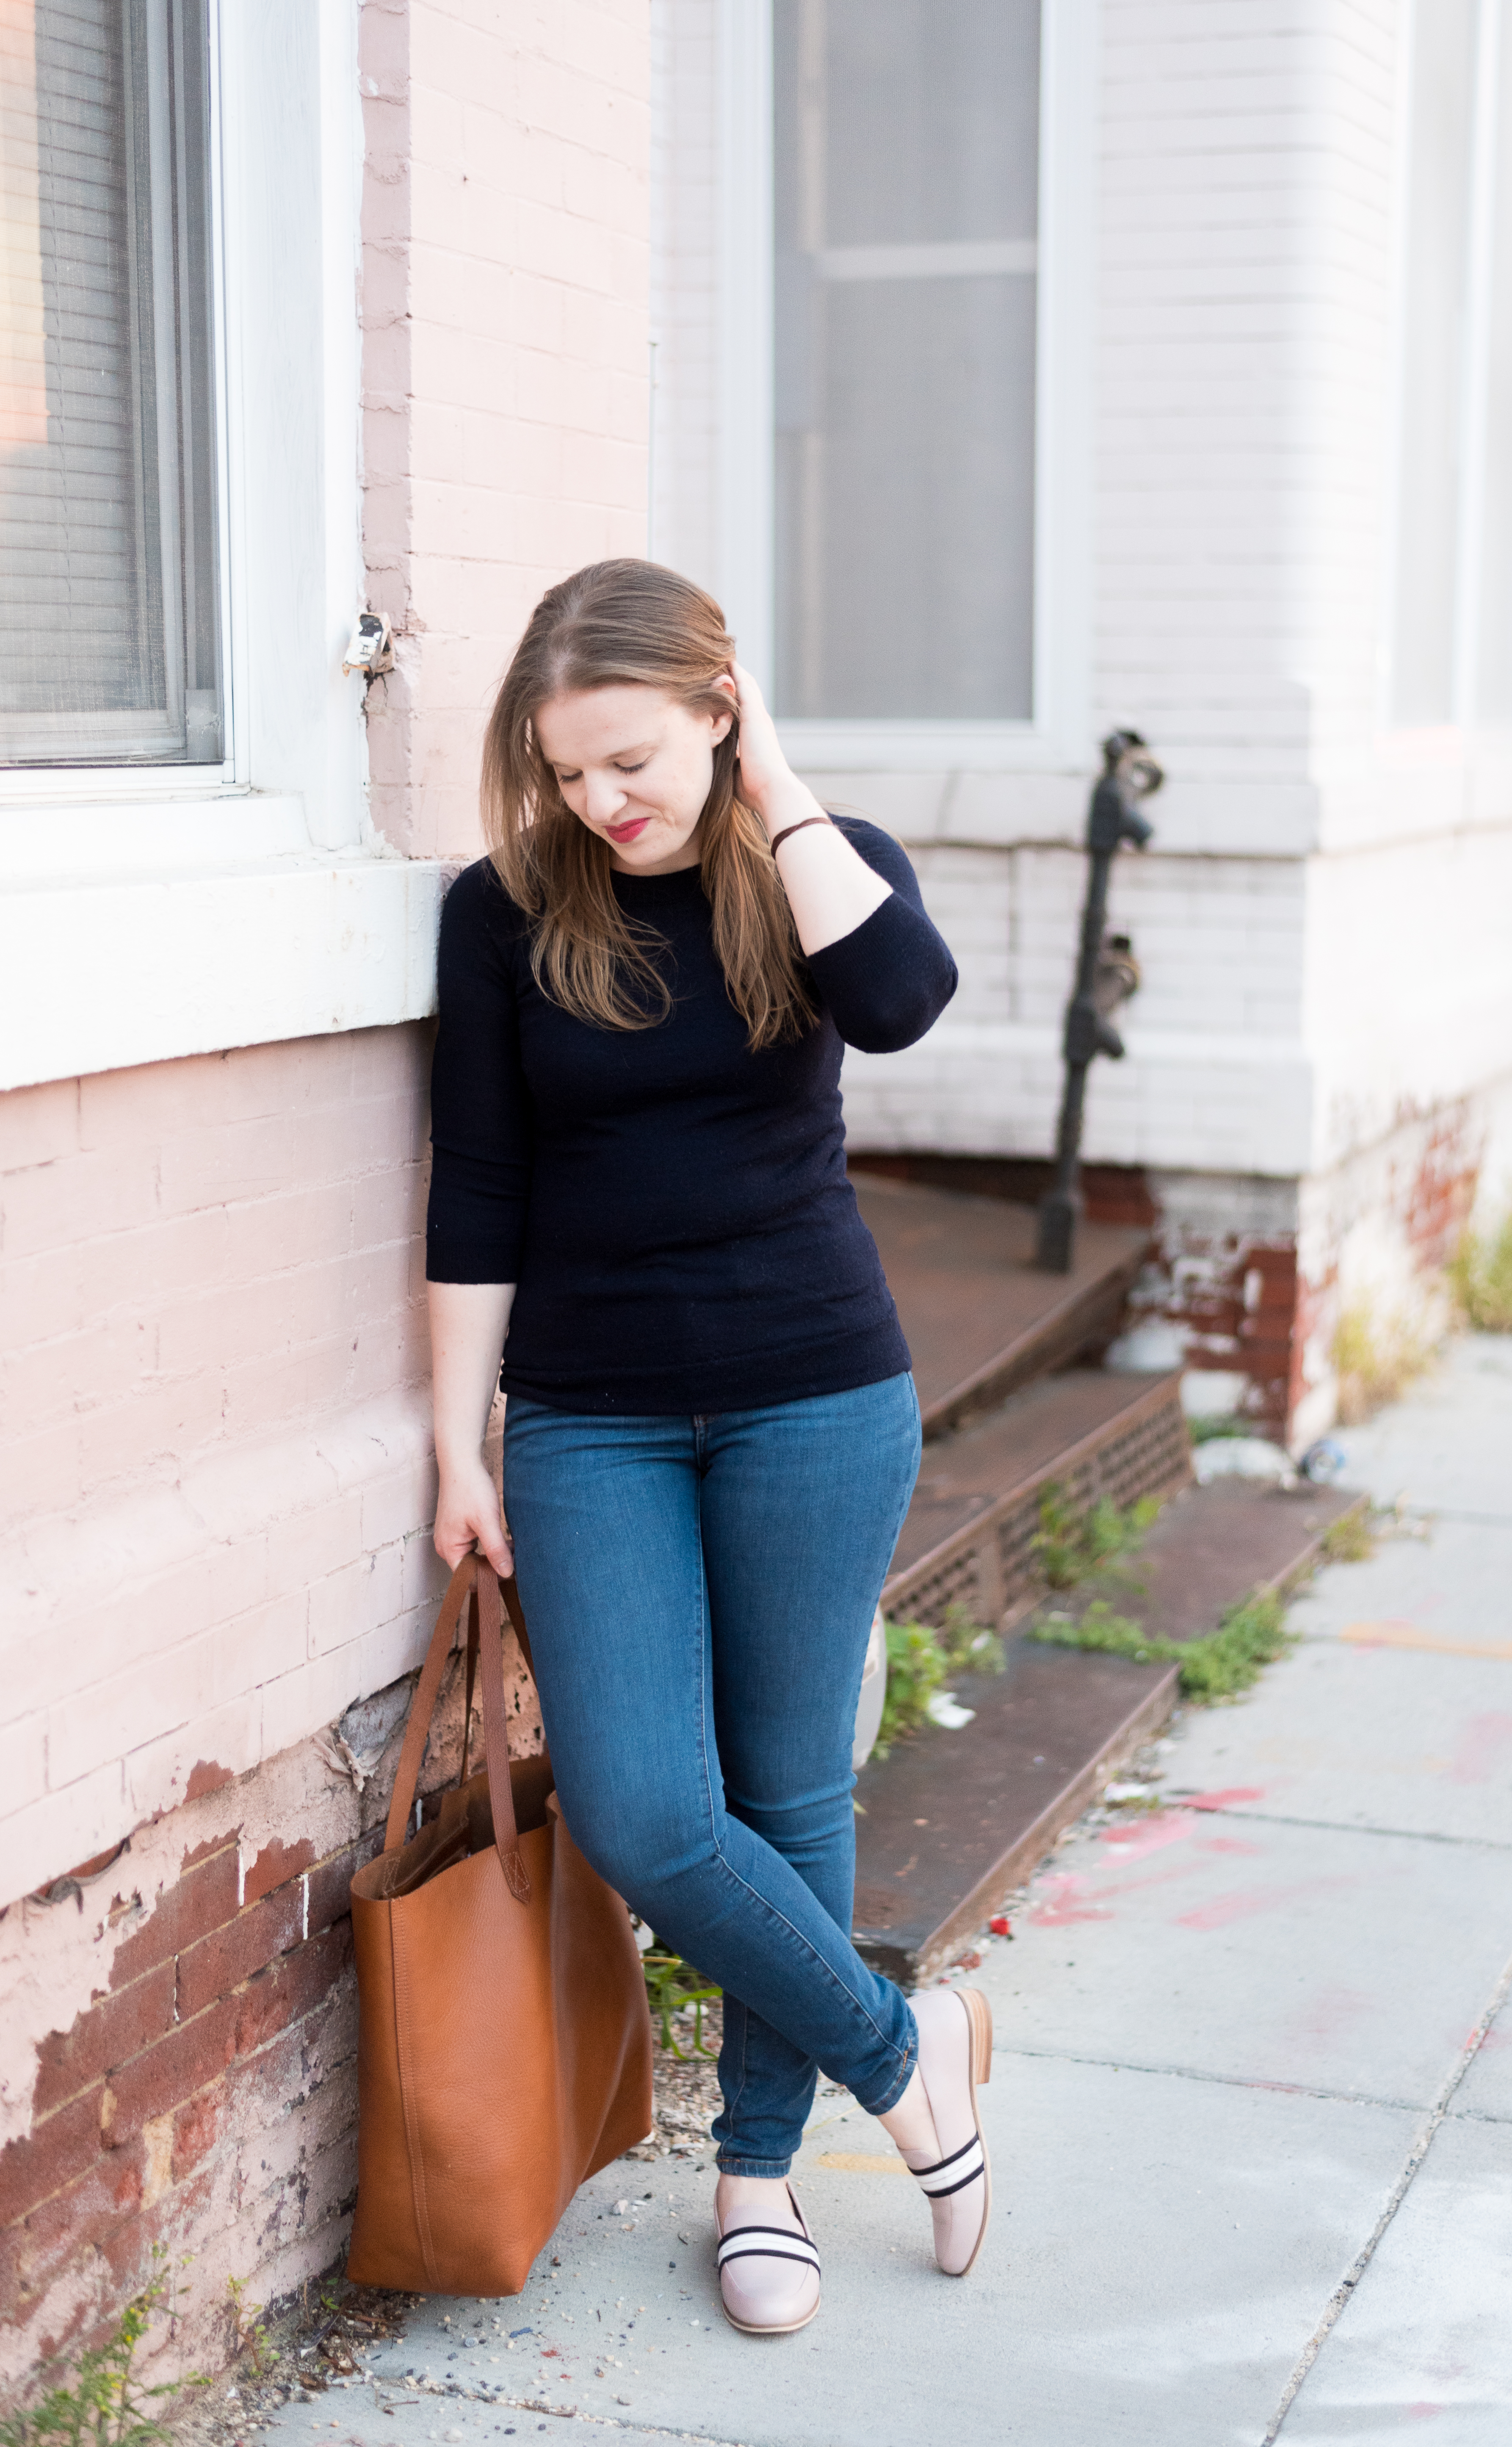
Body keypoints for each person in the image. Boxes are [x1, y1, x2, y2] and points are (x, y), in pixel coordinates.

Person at [426, 559, 992, 2337]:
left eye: (632, 758)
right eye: (566, 769)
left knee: (788, 1792)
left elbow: (902, 1001)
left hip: (813, 1393)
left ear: (719, 708)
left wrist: (776, 792)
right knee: (649, 1813)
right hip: (591, 1418)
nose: (602, 802)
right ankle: (913, 2061)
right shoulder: (503, 909)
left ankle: (757, 2174)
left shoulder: (819, 872)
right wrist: (460, 1439)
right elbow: (480, 1186)